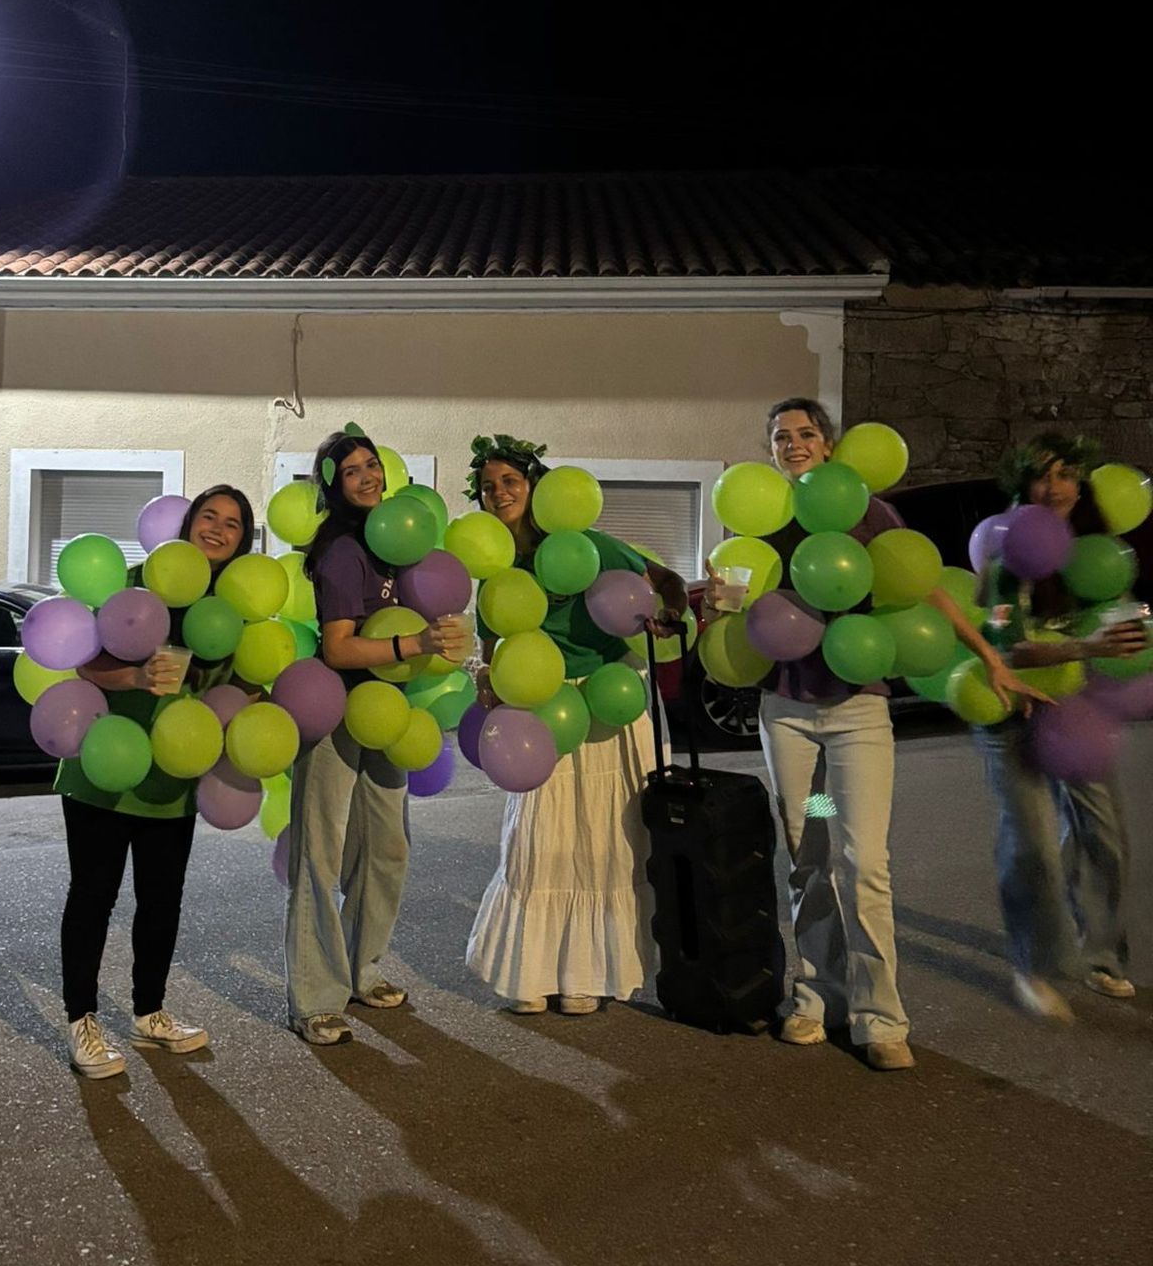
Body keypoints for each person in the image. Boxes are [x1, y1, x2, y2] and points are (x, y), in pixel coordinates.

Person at [703, 400, 1030, 1073]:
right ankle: (814, 996)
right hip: (790, 718)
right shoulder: (760, 520)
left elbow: (926, 588)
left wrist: (989, 656)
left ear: (829, 444)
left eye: (805, 434)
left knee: (865, 859)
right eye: (781, 437)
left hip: (855, 716)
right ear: (771, 451)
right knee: (809, 847)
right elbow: (735, 607)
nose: (794, 445)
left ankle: (881, 1015)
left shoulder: (866, 512)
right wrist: (714, 606)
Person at [463, 435, 687, 1016]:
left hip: (607, 702)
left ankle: (590, 975)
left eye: (510, 481)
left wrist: (666, 619)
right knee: (537, 844)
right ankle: (532, 973)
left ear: (535, 486)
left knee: (608, 843)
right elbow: (493, 628)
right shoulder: (493, 560)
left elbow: (666, 582)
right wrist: (485, 672)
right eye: (489, 486)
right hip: (542, 710)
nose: (500, 493)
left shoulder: (589, 545)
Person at [58, 485, 255, 1080]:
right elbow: (82, 660)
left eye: (232, 524)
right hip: (107, 763)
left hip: (174, 771)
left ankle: (149, 1012)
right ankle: (82, 1020)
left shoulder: (228, 607)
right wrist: (138, 676)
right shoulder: (136, 581)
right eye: (208, 517)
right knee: (94, 893)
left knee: (161, 899)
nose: (217, 529)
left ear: (243, 540)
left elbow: (237, 683)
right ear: (188, 522)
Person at [285, 426, 468, 1046]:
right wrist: (413, 644)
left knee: (387, 848)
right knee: (321, 853)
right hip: (338, 709)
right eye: (353, 471)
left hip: (389, 710)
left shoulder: (397, 543)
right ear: (334, 486)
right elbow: (338, 649)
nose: (368, 477)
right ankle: (314, 997)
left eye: (374, 467)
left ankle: (363, 969)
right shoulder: (341, 551)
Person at [973, 437, 1142, 1021]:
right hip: (1012, 712)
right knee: (1034, 847)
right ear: (1023, 488)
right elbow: (1006, 648)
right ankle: (1033, 962)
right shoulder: (1009, 559)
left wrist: (1130, 635)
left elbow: (1120, 619)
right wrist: (1085, 645)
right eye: (1043, 477)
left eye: (1068, 474)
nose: (1057, 486)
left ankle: (1102, 954)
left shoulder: (1097, 554)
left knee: (1106, 839)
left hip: (1077, 712)